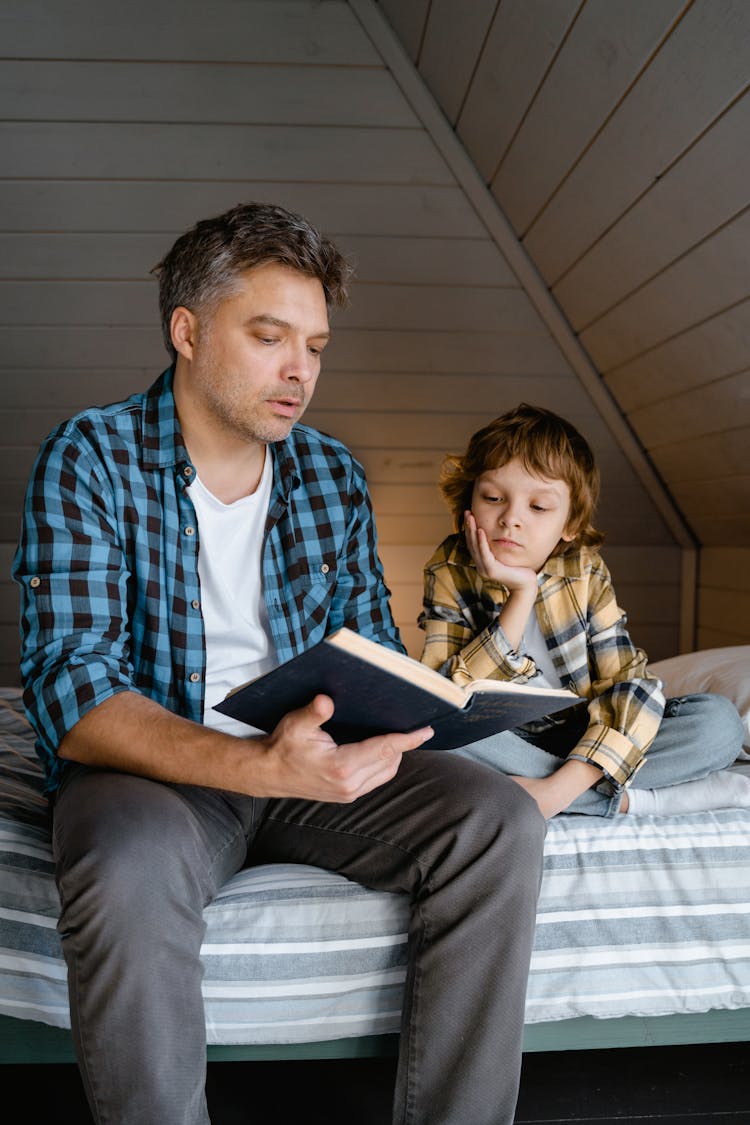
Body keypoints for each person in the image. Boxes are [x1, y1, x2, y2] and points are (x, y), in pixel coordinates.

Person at [12, 203, 546, 1125]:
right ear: (187, 331)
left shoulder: (331, 473)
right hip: (160, 769)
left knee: (498, 818)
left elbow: (365, 642)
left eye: (316, 344)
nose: (300, 369)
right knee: (124, 861)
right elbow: (74, 689)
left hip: (311, 763)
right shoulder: (89, 456)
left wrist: (420, 706)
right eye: (269, 337)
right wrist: (255, 763)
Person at [419, 403, 746, 820]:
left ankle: (554, 793)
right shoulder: (449, 567)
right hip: (502, 740)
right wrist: (521, 595)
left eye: (538, 507)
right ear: (469, 504)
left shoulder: (584, 570)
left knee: (719, 725)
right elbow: (445, 694)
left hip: (586, 734)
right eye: (493, 498)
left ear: (569, 525)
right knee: (424, 733)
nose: (510, 519)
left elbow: (629, 683)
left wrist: (560, 787)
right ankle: (636, 801)